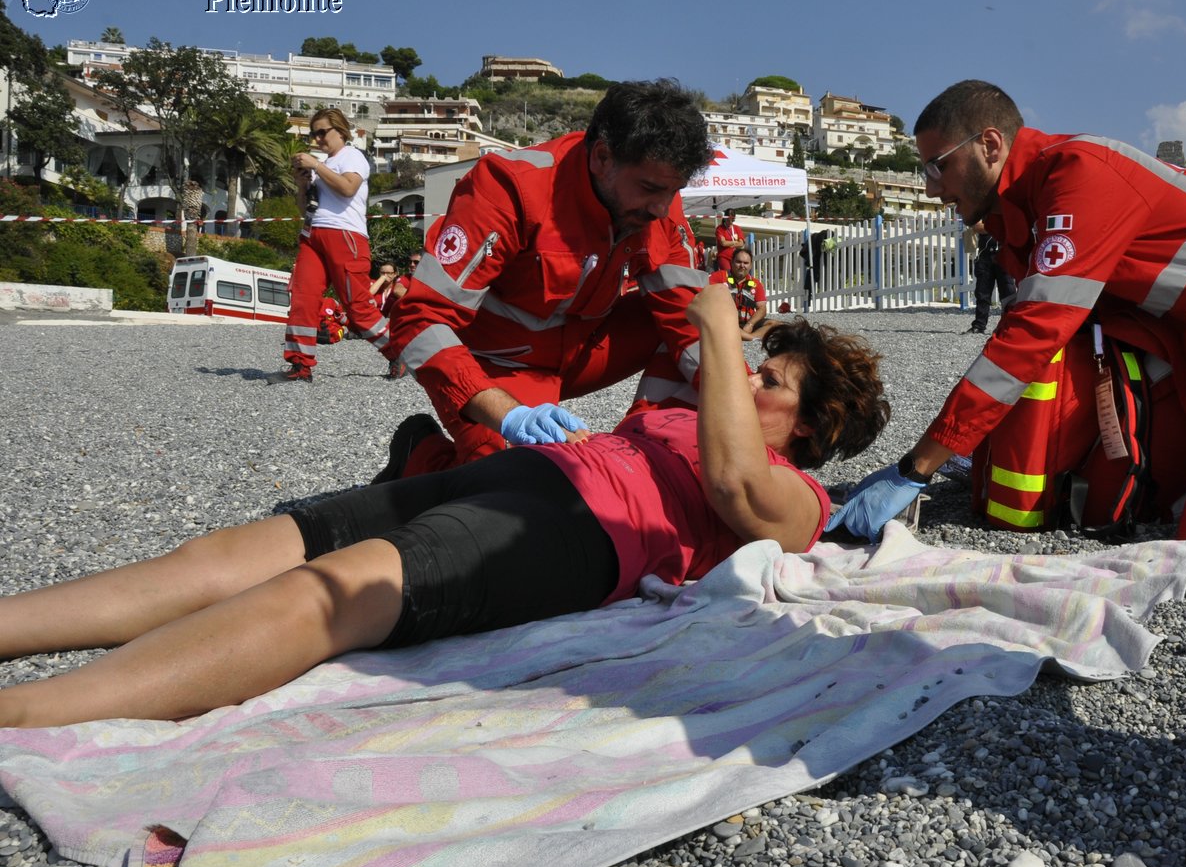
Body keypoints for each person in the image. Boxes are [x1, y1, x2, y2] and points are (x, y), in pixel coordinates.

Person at [0, 286, 890, 728]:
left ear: (813, 429)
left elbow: (733, 481)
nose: (745, 378)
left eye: (767, 381)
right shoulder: (685, 415)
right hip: (525, 476)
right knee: (221, 557)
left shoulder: (798, 498)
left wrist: (715, 331)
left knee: (326, 595)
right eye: (752, 366)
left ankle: (28, 715)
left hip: (578, 534)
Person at [829, 79, 1186, 548]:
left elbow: (1030, 338)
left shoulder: (1079, 175)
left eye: (939, 165)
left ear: (989, 145)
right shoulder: (1026, 207)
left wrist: (919, 465)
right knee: (1171, 509)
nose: (931, 187)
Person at [377, 79, 714, 481]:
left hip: (582, 354)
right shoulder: (510, 188)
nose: (662, 208)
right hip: (498, 366)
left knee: (705, 325)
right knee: (512, 482)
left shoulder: (657, 198)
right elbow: (418, 321)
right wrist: (506, 412)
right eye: (651, 189)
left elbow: (689, 318)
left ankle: (646, 452)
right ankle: (421, 453)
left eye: (674, 191)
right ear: (602, 158)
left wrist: (745, 405)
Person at [279, 108, 385, 383]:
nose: (317, 138)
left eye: (322, 132)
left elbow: (348, 188)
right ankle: (300, 365)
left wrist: (317, 167)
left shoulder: (353, 156)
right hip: (313, 233)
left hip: (345, 236)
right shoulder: (324, 162)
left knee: (358, 305)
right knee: (303, 298)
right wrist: (302, 185)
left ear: (340, 130)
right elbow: (305, 207)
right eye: (314, 133)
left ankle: (398, 352)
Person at [965, 228, 1013, 334]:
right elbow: (977, 225)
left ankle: (1009, 325)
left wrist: (993, 226)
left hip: (1005, 255)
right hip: (985, 255)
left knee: (1008, 294)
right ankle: (979, 325)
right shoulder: (983, 211)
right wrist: (998, 226)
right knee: (982, 293)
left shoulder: (1008, 211)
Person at [728, 248, 774, 341]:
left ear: (751, 265)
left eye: (746, 263)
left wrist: (750, 324)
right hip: (726, 323)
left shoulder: (756, 283)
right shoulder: (718, 278)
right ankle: (748, 337)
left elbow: (762, 309)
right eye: (738, 262)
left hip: (746, 324)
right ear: (732, 262)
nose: (742, 266)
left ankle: (746, 336)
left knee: (775, 324)